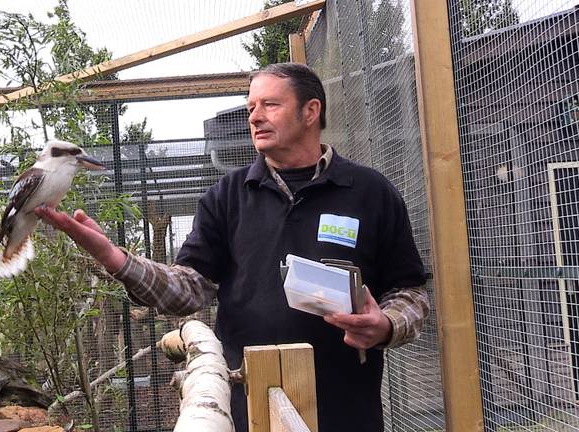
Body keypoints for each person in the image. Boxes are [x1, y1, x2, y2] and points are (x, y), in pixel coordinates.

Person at [35, 62, 429, 432]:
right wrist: (115, 258)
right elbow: (188, 290)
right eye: (251, 107)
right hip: (247, 404)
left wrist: (387, 324)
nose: (255, 117)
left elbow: (410, 293)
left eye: (270, 105)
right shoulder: (227, 196)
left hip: (346, 407)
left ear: (311, 112)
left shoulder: (369, 192)